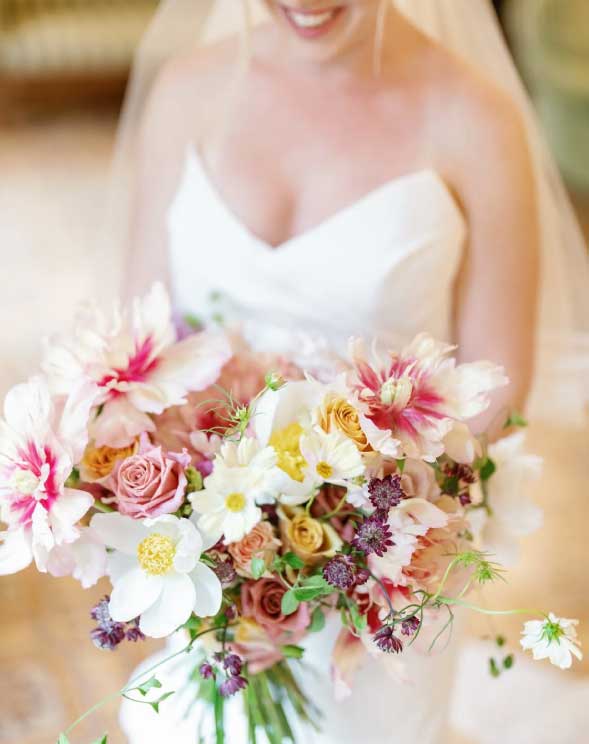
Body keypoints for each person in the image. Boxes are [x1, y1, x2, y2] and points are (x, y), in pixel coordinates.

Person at [109, 1, 588, 742]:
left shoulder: (476, 118)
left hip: (386, 568)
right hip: (211, 543)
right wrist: (212, 512)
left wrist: (352, 516)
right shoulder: (186, 91)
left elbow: (498, 387)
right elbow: (141, 341)